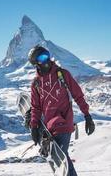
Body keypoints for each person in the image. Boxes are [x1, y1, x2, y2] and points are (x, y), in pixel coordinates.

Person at [28, 45, 95, 176]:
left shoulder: (62, 74)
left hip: (65, 121)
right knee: (61, 159)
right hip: (49, 125)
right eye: (42, 57)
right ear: (36, 63)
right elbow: (36, 107)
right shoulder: (36, 83)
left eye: (47, 55)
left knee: (60, 156)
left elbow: (78, 96)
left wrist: (87, 116)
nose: (47, 59)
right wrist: (34, 126)